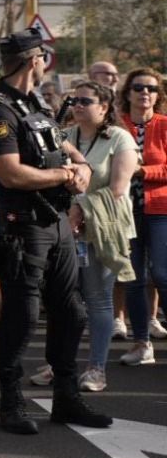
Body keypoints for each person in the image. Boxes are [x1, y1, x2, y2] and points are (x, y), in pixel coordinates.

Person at [0, 28, 111, 434]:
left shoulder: (36, 105)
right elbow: (9, 173)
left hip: (56, 223)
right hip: (22, 227)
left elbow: (68, 149)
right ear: (36, 60)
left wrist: (81, 169)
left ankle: (67, 398)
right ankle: (11, 402)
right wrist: (61, 174)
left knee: (71, 310)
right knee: (21, 315)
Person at [57, 80, 136, 393]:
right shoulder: (65, 137)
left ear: (104, 108)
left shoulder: (120, 138)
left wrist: (81, 209)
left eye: (86, 101)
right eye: (74, 100)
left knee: (98, 300)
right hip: (67, 230)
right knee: (64, 300)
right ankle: (59, 364)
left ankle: (96, 369)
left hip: (102, 229)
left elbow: (117, 190)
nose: (78, 105)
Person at [119, 67, 167, 364]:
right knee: (133, 279)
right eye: (138, 87)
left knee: (162, 274)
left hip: (161, 209)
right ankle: (141, 344)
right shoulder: (115, 126)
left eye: (151, 88)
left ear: (158, 95)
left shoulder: (164, 125)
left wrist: (141, 171)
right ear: (128, 93)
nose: (145, 92)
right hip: (126, 212)